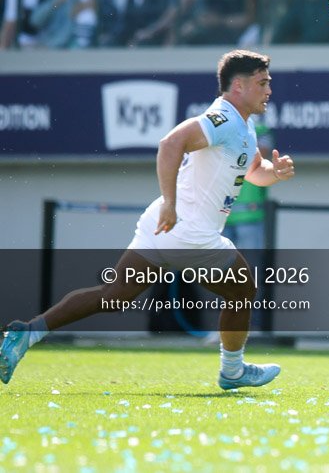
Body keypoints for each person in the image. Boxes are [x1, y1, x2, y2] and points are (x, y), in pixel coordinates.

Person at [1, 50, 295, 389]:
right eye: (263, 83)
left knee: (113, 295)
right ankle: (232, 370)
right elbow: (171, 143)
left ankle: (27, 332)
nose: (269, 90)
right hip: (188, 231)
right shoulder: (224, 118)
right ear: (239, 86)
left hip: (165, 225)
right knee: (243, 289)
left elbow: (255, 171)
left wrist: (276, 172)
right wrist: (171, 203)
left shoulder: (244, 125)